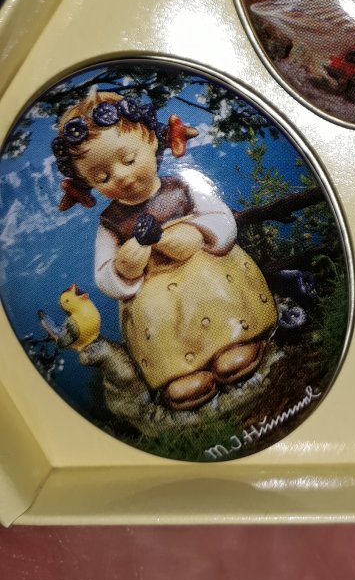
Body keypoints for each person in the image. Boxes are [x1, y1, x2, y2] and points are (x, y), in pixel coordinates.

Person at [50, 89, 277, 411]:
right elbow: (105, 276)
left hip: (202, 265)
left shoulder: (182, 188)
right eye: (102, 176)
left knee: (208, 287)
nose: (122, 176)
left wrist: (194, 233)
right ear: (89, 183)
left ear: (152, 141)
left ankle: (234, 342)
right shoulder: (110, 224)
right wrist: (124, 267)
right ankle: (182, 373)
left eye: (129, 159)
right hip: (151, 286)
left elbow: (222, 221)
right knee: (154, 313)